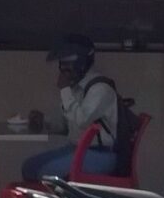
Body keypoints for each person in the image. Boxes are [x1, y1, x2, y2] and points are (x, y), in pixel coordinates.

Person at [22, 34, 119, 181]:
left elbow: (82, 120)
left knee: (45, 173)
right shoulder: (77, 87)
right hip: (77, 149)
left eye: (68, 63)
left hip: (99, 153)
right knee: (29, 167)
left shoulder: (100, 88)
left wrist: (65, 90)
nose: (64, 68)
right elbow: (67, 126)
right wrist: (44, 121)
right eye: (62, 63)